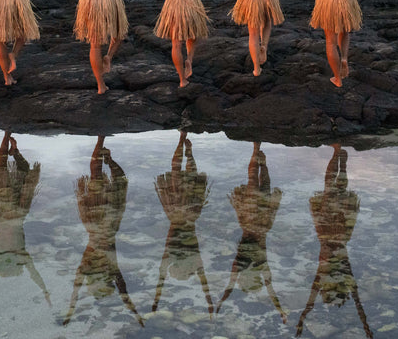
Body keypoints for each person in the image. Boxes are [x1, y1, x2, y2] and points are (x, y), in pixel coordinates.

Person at [64, 136, 143, 327]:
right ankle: (104, 150)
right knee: (111, 178)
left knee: (100, 176)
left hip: (99, 221)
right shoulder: (108, 268)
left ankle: (101, 142)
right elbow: (122, 289)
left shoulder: (89, 267)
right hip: (103, 222)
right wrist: (134, 312)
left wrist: (71, 312)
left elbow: (76, 291)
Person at [295, 144, 369, 338]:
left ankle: (338, 155)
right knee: (337, 191)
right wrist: (366, 327)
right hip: (337, 233)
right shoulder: (344, 274)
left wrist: (303, 317)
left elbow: (311, 299)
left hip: (329, 232)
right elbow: (358, 302)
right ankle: (341, 162)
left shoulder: (325, 274)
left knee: (331, 189)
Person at [218, 141, 286, 323]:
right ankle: (257, 152)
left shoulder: (260, 265)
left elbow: (270, 289)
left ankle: (258, 154)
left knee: (263, 183)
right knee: (253, 181)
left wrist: (280, 310)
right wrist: (220, 301)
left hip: (261, 222)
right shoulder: (243, 266)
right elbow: (230, 286)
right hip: (250, 220)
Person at [0, 131, 49, 306]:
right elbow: (33, 273)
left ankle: (7, 134)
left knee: (6, 171)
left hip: (11, 214)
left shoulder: (7, 255)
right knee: (22, 172)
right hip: (12, 213)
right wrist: (43, 289)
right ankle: (13, 149)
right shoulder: (1, 255)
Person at [152, 131, 214, 315]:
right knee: (178, 173)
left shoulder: (183, 257)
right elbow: (161, 280)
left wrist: (209, 302)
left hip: (183, 213)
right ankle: (186, 147)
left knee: (186, 175)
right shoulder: (179, 257)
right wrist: (209, 302)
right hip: (178, 212)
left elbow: (161, 280)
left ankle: (184, 145)